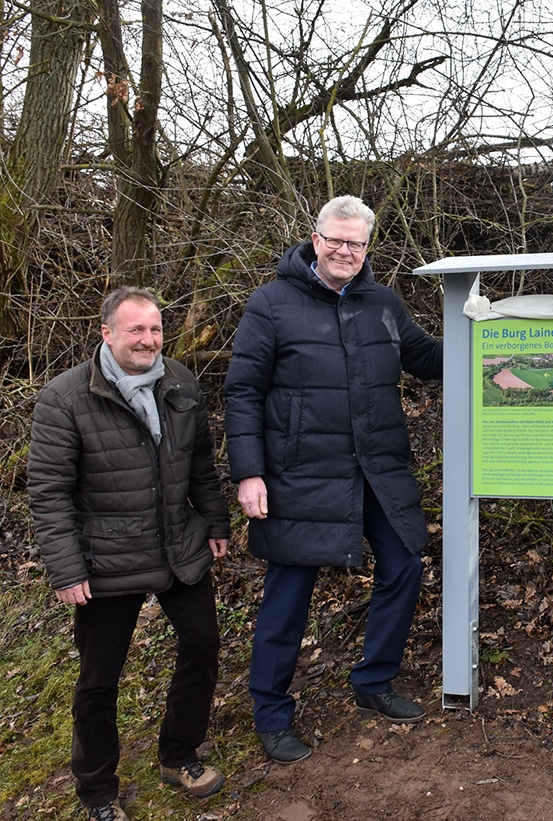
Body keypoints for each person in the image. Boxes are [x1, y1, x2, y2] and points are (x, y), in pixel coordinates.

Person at [225, 195, 443, 765]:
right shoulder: (271, 303)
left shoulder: (383, 304)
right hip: (299, 475)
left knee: (403, 565)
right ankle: (271, 714)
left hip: (377, 468)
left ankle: (373, 682)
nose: (346, 251)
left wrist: (488, 337)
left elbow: (426, 358)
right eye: (336, 240)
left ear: (367, 247)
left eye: (357, 243)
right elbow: (242, 391)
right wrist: (248, 472)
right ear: (316, 240)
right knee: (288, 596)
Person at [27, 287, 231, 821]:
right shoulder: (65, 397)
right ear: (107, 333)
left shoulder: (180, 380)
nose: (148, 340)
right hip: (106, 561)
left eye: (156, 329)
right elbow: (47, 492)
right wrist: (66, 568)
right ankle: (97, 790)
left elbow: (201, 464)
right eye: (136, 330)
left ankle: (178, 755)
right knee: (99, 678)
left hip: (178, 547)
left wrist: (214, 521)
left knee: (203, 646)